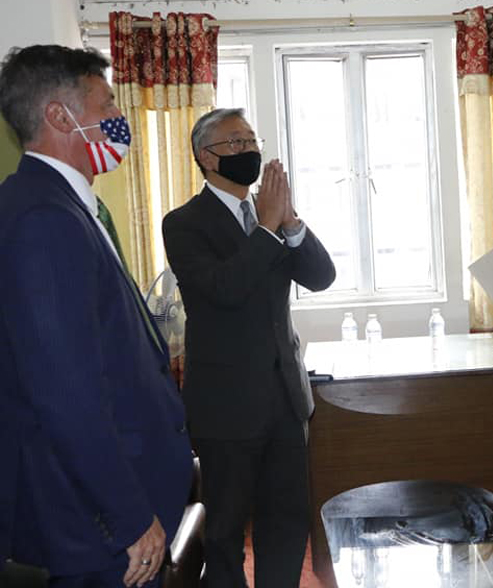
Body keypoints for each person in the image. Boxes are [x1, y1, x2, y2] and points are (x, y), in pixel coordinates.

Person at [0, 45, 193, 587]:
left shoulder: (63, 205)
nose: (116, 116)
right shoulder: (42, 219)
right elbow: (65, 393)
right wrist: (128, 515)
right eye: (105, 104)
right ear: (60, 116)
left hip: (104, 506)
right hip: (94, 523)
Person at [162, 108, 335, 587]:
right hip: (225, 408)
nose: (248, 151)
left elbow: (321, 277)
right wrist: (267, 228)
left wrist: (290, 222)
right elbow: (225, 290)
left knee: (287, 523)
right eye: (235, 143)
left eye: (252, 141)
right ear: (206, 157)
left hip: (285, 400)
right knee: (225, 532)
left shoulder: (271, 215)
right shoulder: (184, 223)